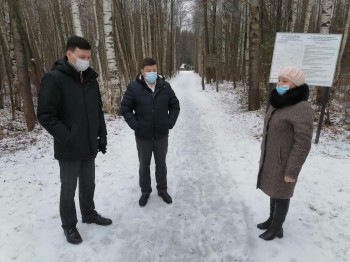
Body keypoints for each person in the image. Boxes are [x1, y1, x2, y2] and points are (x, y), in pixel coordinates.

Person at [37, 36, 112, 245]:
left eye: (88, 57)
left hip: (89, 143)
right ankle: (69, 226)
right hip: (69, 146)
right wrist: (68, 136)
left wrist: (102, 134)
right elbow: (45, 115)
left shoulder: (90, 78)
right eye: (81, 56)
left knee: (89, 184)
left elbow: (97, 109)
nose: (85, 61)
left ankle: (89, 213)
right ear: (69, 54)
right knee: (68, 189)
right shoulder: (54, 78)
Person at [256, 66, 314, 240]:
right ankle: (271, 219)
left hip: (286, 162)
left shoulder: (301, 108)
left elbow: (303, 143)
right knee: (275, 191)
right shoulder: (279, 101)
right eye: (279, 79)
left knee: (282, 194)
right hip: (272, 158)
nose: (280, 83)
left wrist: (292, 171)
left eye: (285, 81)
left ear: (295, 85)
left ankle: (276, 228)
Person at [121, 58, 180, 207]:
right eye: (148, 71)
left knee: (161, 164)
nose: (152, 73)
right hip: (143, 137)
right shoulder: (134, 87)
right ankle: (145, 191)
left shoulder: (165, 86)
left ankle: (162, 190)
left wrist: (170, 122)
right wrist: (136, 125)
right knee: (144, 165)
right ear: (142, 71)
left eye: (154, 70)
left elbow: (175, 106)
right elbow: (125, 109)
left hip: (161, 135)